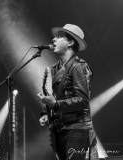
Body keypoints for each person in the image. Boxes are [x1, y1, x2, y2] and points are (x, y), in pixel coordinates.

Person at [37, 24, 98, 160]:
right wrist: (48, 114)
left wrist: (56, 104)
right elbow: (59, 96)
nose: (53, 40)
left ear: (70, 42)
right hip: (61, 128)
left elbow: (83, 100)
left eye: (59, 37)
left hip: (77, 129)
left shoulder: (78, 66)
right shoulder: (55, 68)